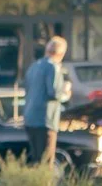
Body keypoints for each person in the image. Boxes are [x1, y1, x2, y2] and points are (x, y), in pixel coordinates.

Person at [23, 34, 68, 166]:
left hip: (30, 119)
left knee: (37, 160)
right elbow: (53, 92)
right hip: (45, 120)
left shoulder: (34, 66)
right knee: (47, 161)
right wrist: (66, 93)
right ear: (60, 53)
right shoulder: (53, 66)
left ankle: (36, 185)